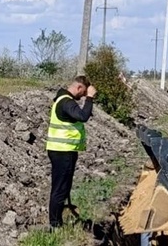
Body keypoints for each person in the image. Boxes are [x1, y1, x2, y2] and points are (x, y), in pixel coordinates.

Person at [46, 75, 96, 229]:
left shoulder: (62, 99)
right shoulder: (66, 102)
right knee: (60, 188)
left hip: (64, 151)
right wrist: (89, 98)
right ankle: (55, 225)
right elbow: (82, 116)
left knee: (63, 187)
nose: (82, 97)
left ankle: (59, 219)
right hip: (62, 152)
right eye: (83, 93)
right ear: (79, 88)